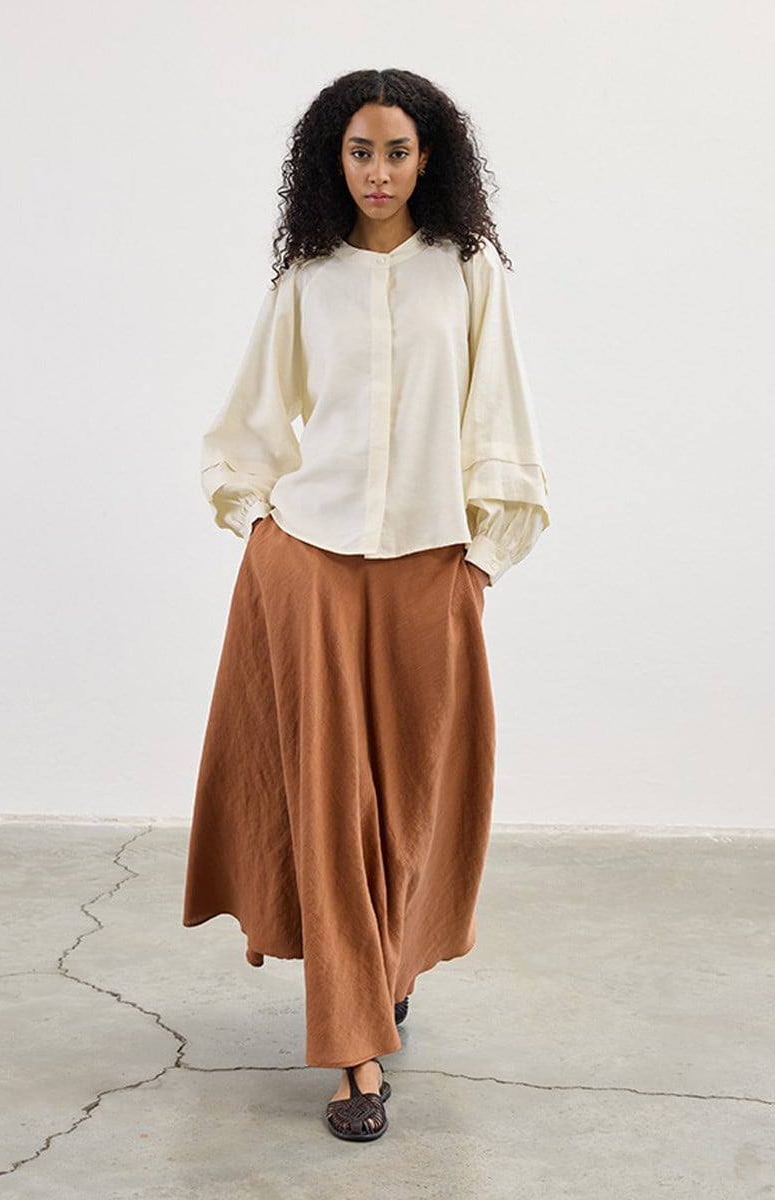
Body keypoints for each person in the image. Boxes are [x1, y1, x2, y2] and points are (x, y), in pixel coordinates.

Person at [182, 67, 550, 1143]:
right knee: (327, 797)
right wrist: (259, 526)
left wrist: (482, 558)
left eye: (395, 151)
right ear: (330, 160)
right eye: (359, 151)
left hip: (432, 563)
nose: (377, 172)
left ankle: (386, 970)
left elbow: (500, 415)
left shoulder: (466, 270)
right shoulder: (307, 277)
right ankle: (354, 1052)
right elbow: (250, 421)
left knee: (416, 794)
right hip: (311, 564)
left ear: (428, 157)